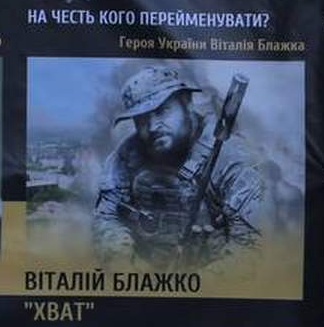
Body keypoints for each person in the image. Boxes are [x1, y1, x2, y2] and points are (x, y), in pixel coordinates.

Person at [92, 65, 264, 268]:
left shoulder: (230, 157)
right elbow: (107, 217)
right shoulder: (127, 156)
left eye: (162, 111)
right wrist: (125, 266)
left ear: (187, 104)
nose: (152, 126)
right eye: (142, 119)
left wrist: (193, 290)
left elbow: (250, 246)